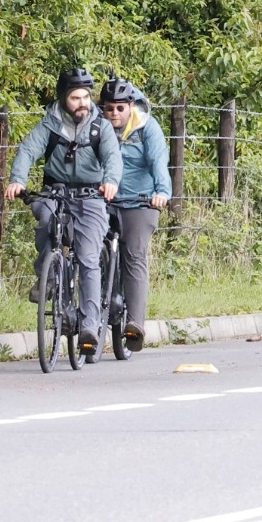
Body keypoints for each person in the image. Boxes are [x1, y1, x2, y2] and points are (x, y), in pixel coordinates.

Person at [4, 66, 122, 355]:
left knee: (88, 258)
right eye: (75, 98)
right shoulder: (50, 123)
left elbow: (112, 157)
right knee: (45, 218)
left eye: (85, 97)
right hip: (55, 192)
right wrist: (18, 180)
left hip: (90, 197)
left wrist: (110, 181)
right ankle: (48, 277)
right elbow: (28, 150)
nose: (82, 103)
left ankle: (90, 327)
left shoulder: (100, 126)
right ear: (63, 99)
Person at [98, 74, 172, 350]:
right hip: (103, 199)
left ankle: (135, 324)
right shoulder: (95, 126)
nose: (114, 113)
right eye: (109, 108)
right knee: (90, 251)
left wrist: (161, 192)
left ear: (130, 106)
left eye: (120, 108)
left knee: (134, 253)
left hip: (140, 200)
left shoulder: (146, 128)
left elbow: (158, 161)